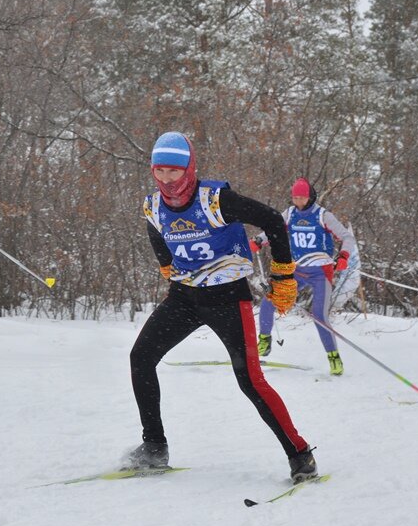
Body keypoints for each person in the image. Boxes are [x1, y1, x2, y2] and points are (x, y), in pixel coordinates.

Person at [128, 131, 318, 484]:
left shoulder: (216, 200)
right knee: (140, 357)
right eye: (160, 171)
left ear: (189, 168)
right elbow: (155, 230)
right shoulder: (153, 205)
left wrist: (283, 275)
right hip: (184, 298)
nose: (167, 179)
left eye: (174, 170)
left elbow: (273, 220)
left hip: (228, 299)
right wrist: (166, 264)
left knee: (250, 380)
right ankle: (154, 447)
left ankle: (300, 454)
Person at [252, 177, 356, 376]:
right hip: (297, 271)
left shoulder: (323, 215)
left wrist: (344, 256)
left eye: (301, 198)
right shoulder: (290, 214)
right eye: (295, 198)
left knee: (319, 315)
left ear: (310, 197)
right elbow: (274, 228)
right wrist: (258, 240)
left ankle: (333, 357)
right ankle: (264, 341)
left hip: (320, 272)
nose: (298, 202)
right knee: (269, 301)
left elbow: (347, 237)